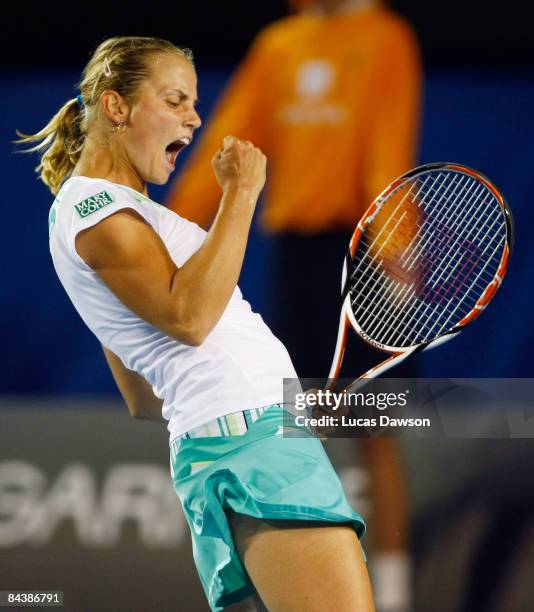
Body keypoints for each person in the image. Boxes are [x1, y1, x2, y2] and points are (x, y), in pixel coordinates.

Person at [17, 37, 374, 612]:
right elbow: (189, 317)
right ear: (116, 107)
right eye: (176, 99)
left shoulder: (103, 213)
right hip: (251, 448)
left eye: (194, 102)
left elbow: (142, 396)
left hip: (241, 436)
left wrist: (276, 412)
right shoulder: (98, 212)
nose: (195, 117)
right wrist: (242, 192)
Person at [165, 2, 421, 610]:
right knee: (297, 428)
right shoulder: (279, 44)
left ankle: (393, 594)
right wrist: (166, 230)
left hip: (364, 247)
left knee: (372, 430)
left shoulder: (386, 37)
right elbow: (234, 136)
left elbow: (390, 141)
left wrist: (395, 247)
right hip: (298, 261)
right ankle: (297, 583)